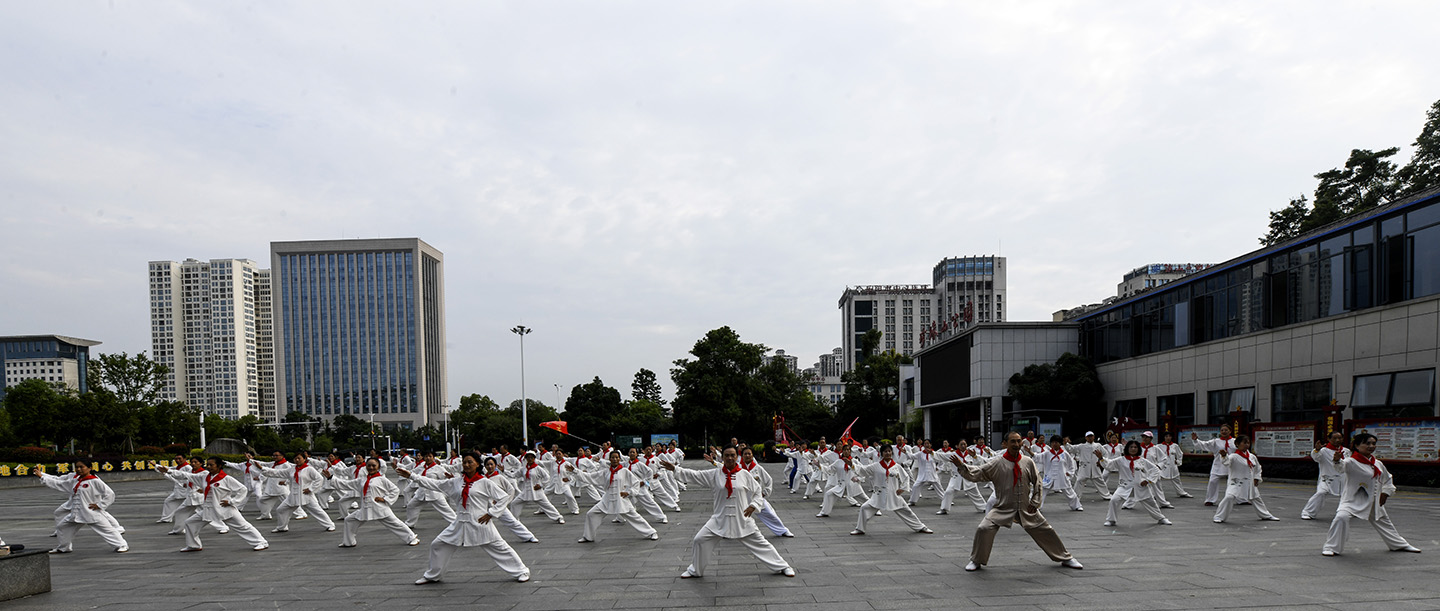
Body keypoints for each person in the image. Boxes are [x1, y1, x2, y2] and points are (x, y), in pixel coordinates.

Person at [949, 432, 1082, 572]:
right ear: (1006, 444)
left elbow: (1038, 482)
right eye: (1013, 441)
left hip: (1026, 507)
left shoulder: (1027, 461)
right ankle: (976, 560)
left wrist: (1035, 502)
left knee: (1046, 529)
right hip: (1002, 507)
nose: (1017, 444)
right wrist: (963, 467)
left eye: (1019, 441)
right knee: (984, 528)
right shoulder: (997, 462)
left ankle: (1065, 557)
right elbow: (979, 473)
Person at [658, 446, 795, 579]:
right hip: (719, 518)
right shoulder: (715, 474)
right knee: (699, 540)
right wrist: (675, 469)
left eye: (732, 455)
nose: (730, 458)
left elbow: (757, 491)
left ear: (737, 457)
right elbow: (695, 475)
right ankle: (695, 570)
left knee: (761, 544)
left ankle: (782, 566)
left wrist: (753, 505)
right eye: (727, 455)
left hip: (742, 519)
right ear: (722, 457)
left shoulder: (744, 474)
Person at [403, 452, 532, 584]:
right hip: (459, 523)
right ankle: (432, 575)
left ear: (477, 464)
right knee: (438, 544)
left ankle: (522, 571)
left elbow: (504, 497)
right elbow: (435, 484)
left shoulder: (484, 482)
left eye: (470, 462)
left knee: (500, 547)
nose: (467, 464)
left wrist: (492, 513)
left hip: (480, 522)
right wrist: (412, 476)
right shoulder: (456, 482)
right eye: (464, 462)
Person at [1322, 433, 1422, 556]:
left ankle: (1398, 545)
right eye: (1367, 443)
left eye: (1373, 443)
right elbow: (1340, 468)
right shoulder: (1351, 462)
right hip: (1352, 500)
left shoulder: (1377, 463)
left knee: (1385, 523)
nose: (1371, 446)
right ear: (1357, 446)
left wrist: (1385, 493)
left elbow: (1387, 478)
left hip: (1374, 501)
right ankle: (1332, 547)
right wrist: (1337, 460)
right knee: (1341, 517)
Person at [157, 458, 270, 552]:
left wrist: (232, 502)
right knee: (190, 523)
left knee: (243, 526)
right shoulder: (204, 477)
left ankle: (261, 542)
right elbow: (186, 475)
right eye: (208, 465)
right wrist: (169, 471)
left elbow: (242, 489)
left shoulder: (226, 479)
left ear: (219, 466)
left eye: (212, 465)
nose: (209, 467)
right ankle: (194, 545)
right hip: (208, 509)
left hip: (224, 509)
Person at [325, 457, 420, 548]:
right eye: (369, 465)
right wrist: (331, 478)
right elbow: (346, 484)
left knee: (396, 524)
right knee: (349, 520)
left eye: (373, 466)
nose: (371, 468)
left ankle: (412, 538)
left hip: (380, 508)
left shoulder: (382, 479)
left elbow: (395, 490)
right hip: (365, 508)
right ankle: (349, 542)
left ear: (378, 467)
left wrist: (385, 499)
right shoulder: (362, 480)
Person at [38, 461, 129, 553]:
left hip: (91, 513)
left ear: (89, 468)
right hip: (76, 513)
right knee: (62, 527)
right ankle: (64, 547)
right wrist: (42, 476)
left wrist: (100, 505)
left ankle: (122, 545)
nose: (79, 469)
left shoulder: (95, 481)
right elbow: (59, 483)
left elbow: (110, 494)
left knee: (107, 530)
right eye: (77, 467)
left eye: (82, 467)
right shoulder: (75, 480)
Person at [571, 449, 659, 543]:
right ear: (609, 459)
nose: (614, 459)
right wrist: (576, 471)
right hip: (607, 499)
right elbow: (590, 477)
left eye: (617, 457)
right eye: (612, 457)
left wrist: (629, 492)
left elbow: (636, 483)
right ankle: (588, 536)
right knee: (591, 514)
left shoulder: (624, 471)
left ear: (619, 459)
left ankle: (651, 532)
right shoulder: (606, 472)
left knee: (635, 517)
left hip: (621, 499)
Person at [852, 444, 934, 536]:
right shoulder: (875, 466)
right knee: (864, 508)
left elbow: (906, 478)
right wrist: (852, 464)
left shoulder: (896, 466)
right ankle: (860, 529)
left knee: (907, 511)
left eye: (889, 451)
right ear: (881, 453)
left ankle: (921, 527)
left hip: (894, 495)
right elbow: (863, 470)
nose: (888, 453)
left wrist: (902, 489)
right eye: (885, 451)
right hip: (878, 495)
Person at [258, 452, 336, 533]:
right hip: (293, 495)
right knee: (281, 510)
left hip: (306, 495)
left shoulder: (309, 469)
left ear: (304, 459)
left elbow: (319, 479)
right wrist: (262, 469)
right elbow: (278, 472)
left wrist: (310, 489)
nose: (297, 460)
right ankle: (282, 527)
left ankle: (330, 525)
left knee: (317, 511)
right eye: (295, 459)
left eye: (299, 458)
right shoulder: (292, 469)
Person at [1097, 441, 1170, 526]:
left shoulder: (1142, 461)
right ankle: (1111, 520)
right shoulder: (1121, 460)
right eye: (1131, 447)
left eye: (1135, 447)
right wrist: (1101, 458)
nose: (1133, 449)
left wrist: (1148, 480)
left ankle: (1161, 518)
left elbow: (1155, 470)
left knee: (1151, 503)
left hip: (1140, 486)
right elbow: (1109, 464)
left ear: (1138, 449)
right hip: (1124, 486)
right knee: (1114, 500)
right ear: (1127, 448)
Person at [1212, 435, 1280, 523]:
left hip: (1249, 482)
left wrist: (1256, 478)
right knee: (1229, 497)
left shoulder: (1251, 457)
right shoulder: (1233, 456)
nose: (1247, 445)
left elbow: (1258, 468)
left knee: (1256, 498)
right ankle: (1219, 516)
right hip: (1236, 482)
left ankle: (1266, 515)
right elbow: (1226, 462)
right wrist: (1224, 456)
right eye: (1244, 443)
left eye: (1248, 443)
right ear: (1237, 444)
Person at [738, 446, 795, 538]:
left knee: (769, 513)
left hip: (756, 498)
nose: (747, 456)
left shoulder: (758, 468)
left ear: (752, 455)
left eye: (749, 454)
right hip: (742, 498)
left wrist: (764, 493)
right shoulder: (738, 468)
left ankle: (783, 530)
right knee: (734, 515)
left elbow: (769, 480)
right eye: (745, 454)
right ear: (742, 456)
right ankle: (728, 532)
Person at [1302, 432, 1350, 520]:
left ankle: (1347, 512)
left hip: (1343, 478)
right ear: (1329, 439)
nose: (1337, 440)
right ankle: (1308, 512)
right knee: (1321, 492)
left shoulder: (1346, 451)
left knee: (1347, 496)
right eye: (1334, 438)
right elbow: (1316, 458)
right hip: (1327, 478)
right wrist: (1316, 450)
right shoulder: (1323, 451)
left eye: (1339, 438)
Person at [405, 451, 459, 528]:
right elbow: (412, 473)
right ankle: (410, 523)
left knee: (446, 511)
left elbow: (445, 478)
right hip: (421, 492)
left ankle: (457, 523)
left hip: (434, 493)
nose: (428, 458)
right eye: (426, 456)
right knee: (411, 506)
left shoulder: (438, 468)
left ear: (433, 458)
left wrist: (450, 478)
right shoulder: (421, 466)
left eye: (430, 456)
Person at [510, 451, 566, 524]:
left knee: (547, 505)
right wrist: (503, 471)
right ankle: (514, 520)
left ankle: (558, 517)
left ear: (534, 459)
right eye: (528, 457)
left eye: (531, 458)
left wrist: (541, 485)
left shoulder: (538, 468)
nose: (530, 459)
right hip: (526, 491)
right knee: (514, 503)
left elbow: (547, 477)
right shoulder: (523, 469)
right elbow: (514, 475)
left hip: (536, 491)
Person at [936, 440, 987, 514]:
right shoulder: (953, 454)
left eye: (965, 444)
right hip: (956, 476)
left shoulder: (970, 454)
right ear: (957, 446)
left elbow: (979, 462)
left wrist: (974, 456)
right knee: (948, 492)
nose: (963, 446)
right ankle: (944, 509)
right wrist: (931, 452)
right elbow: (940, 455)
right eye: (961, 444)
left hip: (968, 476)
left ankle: (983, 508)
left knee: (975, 493)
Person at [1191, 425, 1237, 506]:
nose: (1224, 431)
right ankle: (1210, 499)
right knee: (1212, 481)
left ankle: (1241, 499)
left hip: (1232, 464)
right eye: (1222, 430)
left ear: (1230, 431)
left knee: (1237, 481)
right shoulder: (1215, 441)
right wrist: (1196, 440)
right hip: (1218, 464)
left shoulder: (1235, 441)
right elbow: (1204, 445)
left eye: (1226, 430)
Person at [1036, 436, 1083, 512]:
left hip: (1062, 476)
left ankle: (1076, 506)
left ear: (1060, 443)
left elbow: (1071, 465)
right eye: (1053, 442)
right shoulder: (1047, 453)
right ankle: (1037, 506)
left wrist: (1069, 473)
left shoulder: (1064, 454)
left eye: (1056, 442)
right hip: (1049, 476)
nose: (1054, 444)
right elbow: (1038, 457)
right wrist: (1030, 452)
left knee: (1069, 492)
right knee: (1042, 491)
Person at [816, 446, 865, 517]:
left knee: (864, 498)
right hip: (841, 485)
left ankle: (876, 509)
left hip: (853, 484)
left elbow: (863, 470)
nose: (846, 451)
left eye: (848, 450)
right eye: (844, 450)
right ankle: (824, 512)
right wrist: (819, 466)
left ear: (850, 452)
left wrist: (858, 479)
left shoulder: (854, 461)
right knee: (829, 494)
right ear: (842, 451)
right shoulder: (838, 462)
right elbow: (829, 469)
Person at [1066, 432, 1110, 500]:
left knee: (1100, 482)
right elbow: (1071, 449)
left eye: (1091, 436)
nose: (1090, 438)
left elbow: (1105, 454)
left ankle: (1107, 495)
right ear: (1086, 437)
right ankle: (1075, 497)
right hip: (1084, 467)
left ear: (1094, 437)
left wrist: (1101, 461)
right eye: (1088, 436)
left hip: (1095, 467)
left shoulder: (1098, 445)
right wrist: (1066, 443)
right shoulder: (1081, 446)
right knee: (1079, 481)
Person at [1148, 432, 1191, 500]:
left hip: (1172, 466)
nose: (1168, 438)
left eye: (1169, 436)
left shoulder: (1175, 446)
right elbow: (1154, 455)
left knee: (1177, 480)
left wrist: (1178, 462)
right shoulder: (1158, 446)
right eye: (1166, 436)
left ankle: (1181, 492)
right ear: (1164, 437)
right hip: (1163, 466)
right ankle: (1153, 494)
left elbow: (1180, 454)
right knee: (1156, 481)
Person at [908, 440, 941, 505]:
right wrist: (906, 452)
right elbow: (911, 456)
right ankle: (912, 501)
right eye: (925, 443)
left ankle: (946, 500)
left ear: (930, 445)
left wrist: (939, 467)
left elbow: (940, 460)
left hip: (932, 474)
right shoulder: (920, 453)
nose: (926, 445)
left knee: (939, 488)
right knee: (915, 486)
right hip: (922, 474)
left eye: (928, 443)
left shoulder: (934, 453)